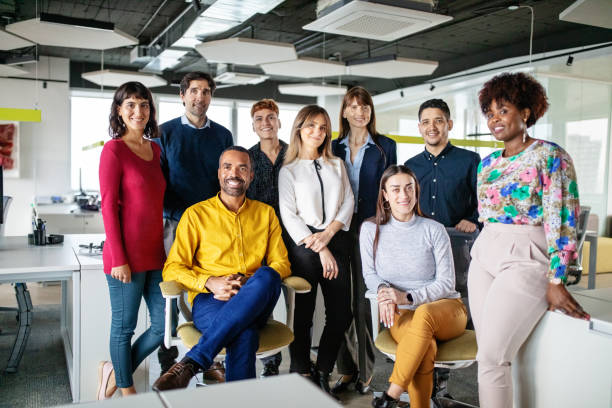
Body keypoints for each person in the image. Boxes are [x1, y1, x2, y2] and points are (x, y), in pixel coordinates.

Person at [469, 72, 589, 408]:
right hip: (485, 255)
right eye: (490, 113)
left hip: (526, 255)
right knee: (489, 353)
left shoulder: (550, 156)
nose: (495, 119)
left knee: (492, 357)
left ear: (525, 112)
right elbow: (486, 215)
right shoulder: (487, 163)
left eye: (503, 110)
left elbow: (563, 219)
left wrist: (557, 277)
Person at [152, 146, 291, 391]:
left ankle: (195, 360)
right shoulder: (195, 215)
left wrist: (248, 286)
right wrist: (210, 282)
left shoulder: (266, 214)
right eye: (227, 167)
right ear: (219, 174)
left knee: (269, 273)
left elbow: (282, 264)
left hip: (256, 298)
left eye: (242, 168)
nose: (234, 173)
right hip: (210, 300)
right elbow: (172, 269)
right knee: (244, 333)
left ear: (251, 175)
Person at [361, 165, 467, 408]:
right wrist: (384, 293)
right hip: (403, 315)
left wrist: (407, 297)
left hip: (446, 309)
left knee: (425, 312)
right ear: (385, 195)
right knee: (424, 348)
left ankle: (391, 396)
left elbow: (446, 282)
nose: (404, 195)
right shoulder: (370, 230)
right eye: (395, 189)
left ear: (417, 191)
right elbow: (370, 273)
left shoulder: (434, 229)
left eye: (409, 188)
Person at [155, 71, 233, 380]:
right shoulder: (164, 133)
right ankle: (169, 357)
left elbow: (227, 179)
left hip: (214, 226)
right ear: (183, 95)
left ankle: (212, 355)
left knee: (213, 289)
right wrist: (180, 215)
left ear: (211, 96)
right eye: (194, 91)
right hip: (176, 223)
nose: (200, 97)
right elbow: (158, 184)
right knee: (175, 288)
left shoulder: (223, 135)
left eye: (205, 91)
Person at [278, 105, 354, 398]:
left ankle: (323, 370)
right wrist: (319, 246)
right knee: (304, 314)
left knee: (340, 313)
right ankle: (301, 371)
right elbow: (289, 214)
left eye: (323, 127)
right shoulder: (289, 171)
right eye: (311, 126)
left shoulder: (337, 164)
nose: (317, 132)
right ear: (299, 129)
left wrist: (329, 234)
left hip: (335, 238)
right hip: (304, 246)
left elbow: (348, 202)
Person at [97, 82, 166, 399]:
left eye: (144, 105)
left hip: (155, 253)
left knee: (162, 326)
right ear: (119, 111)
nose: (139, 111)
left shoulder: (156, 149)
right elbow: (108, 206)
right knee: (124, 327)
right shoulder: (113, 150)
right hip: (124, 256)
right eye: (131, 105)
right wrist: (119, 258)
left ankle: (115, 370)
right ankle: (126, 389)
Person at [331, 86, 396, 395]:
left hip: (371, 231)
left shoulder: (385, 146)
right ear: (344, 112)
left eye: (365, 106)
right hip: (339, 230)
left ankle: (366, 371)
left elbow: (390, 190)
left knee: (363, 303)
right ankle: (346, 369)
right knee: (340, 303)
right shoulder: (332, 147)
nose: (360, 112)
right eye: (353, 107)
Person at [246, 98, 288, 378]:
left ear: (279, 122)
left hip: (295, 237)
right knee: (262, 300)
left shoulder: (295, 153)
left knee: (297, 301)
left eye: (270, 117)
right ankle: (269, 363)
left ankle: (300, 361)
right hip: (259, 239)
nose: (266, 123)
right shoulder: (247, 158)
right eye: (259, 118)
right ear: (253, 125)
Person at [404, 98, 480, 233]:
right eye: (426, 122)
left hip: (457, 238)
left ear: (449, 124)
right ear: (420, 127)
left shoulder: (469, 160)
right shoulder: (410, 166)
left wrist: (472, 219)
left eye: (438, 121)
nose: (432, 127)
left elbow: (484, 199)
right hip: (419, 238)